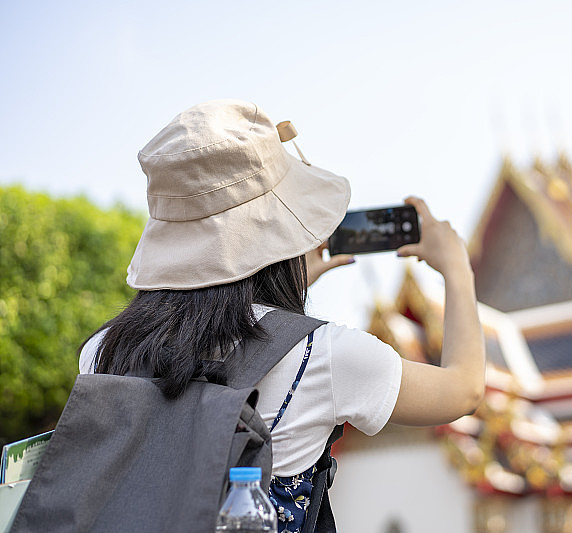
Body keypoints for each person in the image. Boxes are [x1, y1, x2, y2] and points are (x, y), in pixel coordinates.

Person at [77, 99, 485, 532]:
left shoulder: (100, 353)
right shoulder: (325, 357)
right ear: (282, 230)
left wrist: (279, 299)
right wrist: (457, 269)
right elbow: (464, 390)